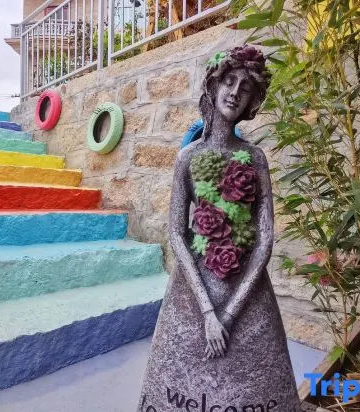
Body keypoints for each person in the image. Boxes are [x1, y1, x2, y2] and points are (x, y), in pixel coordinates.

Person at [138, 45, 301, 411]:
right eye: (229, 82)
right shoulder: (188, 157)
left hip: (246, 289)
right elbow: (176, 233)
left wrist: (228, 313)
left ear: (252, 101)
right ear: (213, 86)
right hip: (194, 286)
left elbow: (265, 238)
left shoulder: (255, 158)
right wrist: (208, 312)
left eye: (245, 88)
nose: (235, 92)